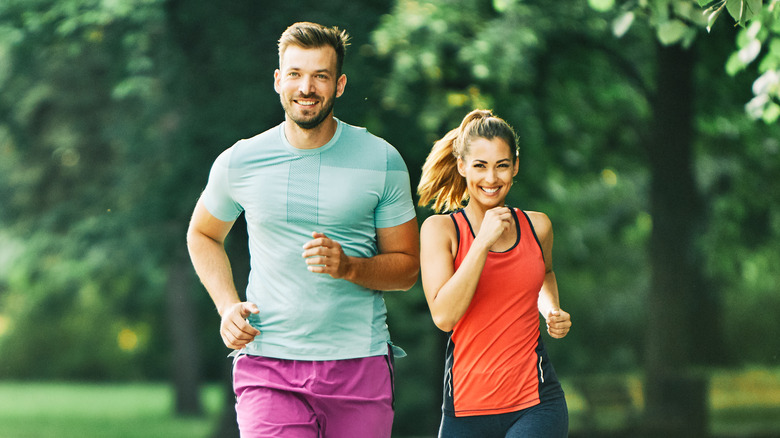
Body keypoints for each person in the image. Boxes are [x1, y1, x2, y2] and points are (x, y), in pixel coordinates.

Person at [186, 21, 419, 438]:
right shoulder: (241, 161)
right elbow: (202, 234)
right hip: (268, 364)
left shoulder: (382, 160)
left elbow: (406, 269)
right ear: (278, 80)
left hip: (358, 364)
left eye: (320, 76)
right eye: (295, 73)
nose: (306, 87)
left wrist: (349, 267)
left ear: (340, 84)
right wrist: (226, 306)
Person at [417, 109, 571, 437]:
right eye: (480, 166)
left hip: (537, 402)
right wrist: (481, 243)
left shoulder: (537, 226)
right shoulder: (440, 230)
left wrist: (551, 309)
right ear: (462, 167)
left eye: (501, 165)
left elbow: (543, 273)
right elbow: (444, 316)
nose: (491, 179)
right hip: (466, 410)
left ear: (515, 166)